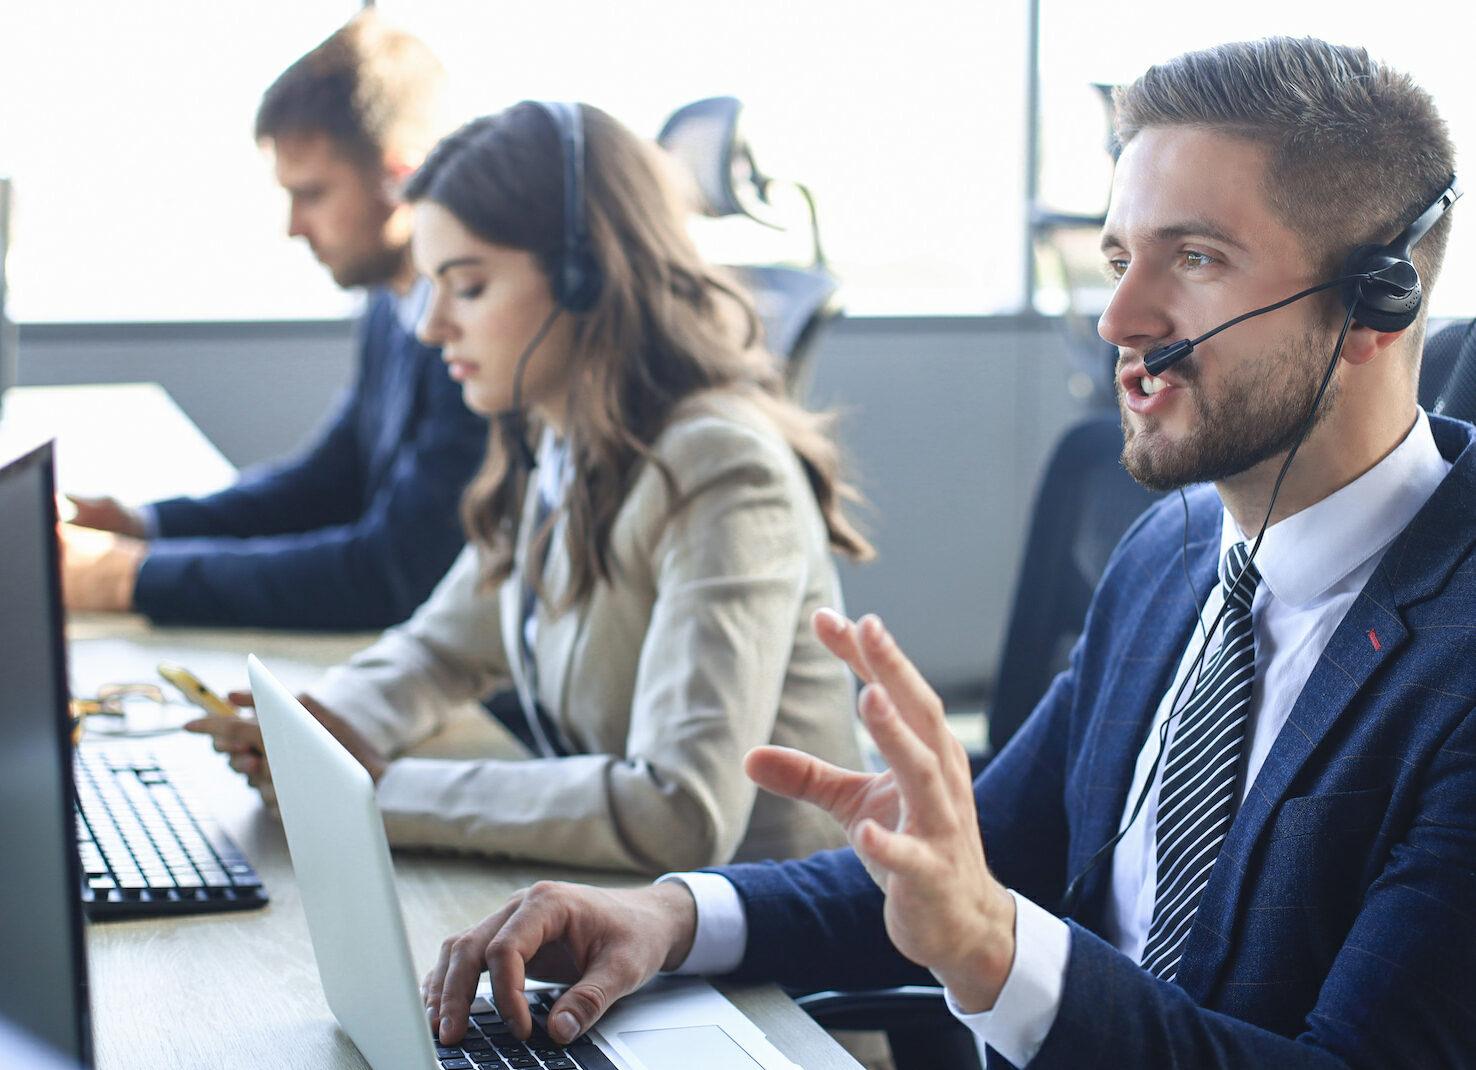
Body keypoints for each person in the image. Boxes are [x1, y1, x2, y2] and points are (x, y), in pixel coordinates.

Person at [421, 37, 1476, 1067]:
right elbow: (985, 855)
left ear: (1379, 300)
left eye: (1194, 257)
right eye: (1119, 257)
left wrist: (988, 949)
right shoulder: (1178, 550)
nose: (1119, 318)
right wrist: (669, 914)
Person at [189, 100, 874, 874]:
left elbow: (680, 811)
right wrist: (325, 728)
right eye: (432, 287)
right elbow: (445, 648)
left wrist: (381, 791)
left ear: (587, 280)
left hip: (765, 960)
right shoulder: (558, 433)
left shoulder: (720, 468)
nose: (430, 326)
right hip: (630, 912)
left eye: (469, 287)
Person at [58, 10, 487, 630]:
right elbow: (329, 481)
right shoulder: (392, 301)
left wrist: (132, 575)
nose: (294, 228)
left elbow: (388, 575)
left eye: (312, 194)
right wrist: (140, 524)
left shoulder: (473, 336)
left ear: (403, 178)